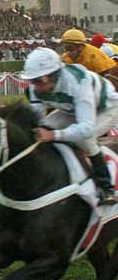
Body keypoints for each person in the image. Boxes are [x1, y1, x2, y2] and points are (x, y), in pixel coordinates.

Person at [22, 47, 118, 205]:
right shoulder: (36, 87)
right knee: (44, 128)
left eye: (39, 81)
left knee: (86, 139)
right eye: (32, 80)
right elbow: (36, 121)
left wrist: (54, 135)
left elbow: (86, 128)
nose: (35, 86)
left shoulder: (78, 83)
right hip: (72, 109)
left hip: (107, 108)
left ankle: (106, 187)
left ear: (54, 75)